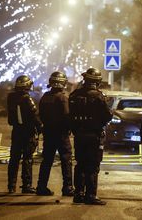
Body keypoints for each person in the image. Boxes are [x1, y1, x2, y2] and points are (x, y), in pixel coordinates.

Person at [68, 68, 112, 205]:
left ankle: (78, 194)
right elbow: (108, 115)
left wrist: (76, 130)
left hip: (79, 135)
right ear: (97, 82)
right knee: (92, 166)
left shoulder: (75, 95)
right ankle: (90, 195)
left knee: (80, 164)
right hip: (94, 136)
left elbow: (69, 116)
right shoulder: (99, 96)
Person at [36, 71, 74, 196]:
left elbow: (39, 115)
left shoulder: (45, 97)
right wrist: (70, 129)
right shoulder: (63, 98)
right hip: (61, 134)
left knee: (46, 160)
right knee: (66, 160)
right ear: (63, 83)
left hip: (48, 133)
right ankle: (67, 188)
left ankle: (41, 186)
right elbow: (67, 116)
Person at [7, 75, 42, 194]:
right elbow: (34, 115)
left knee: (14, 159)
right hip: (28, 132)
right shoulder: (27, 99)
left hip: (16, 131)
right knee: (27, 159)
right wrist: (41, 127)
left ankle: (11, 186)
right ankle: (26, 185)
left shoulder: (11, 97)